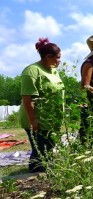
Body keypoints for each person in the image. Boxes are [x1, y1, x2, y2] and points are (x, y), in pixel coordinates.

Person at [18, 38, 64, 173]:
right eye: (58, 58)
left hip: (51, 119)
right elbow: (27, 98)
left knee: (48, 148)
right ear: (48, 56)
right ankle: (35, 178)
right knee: (40, 151)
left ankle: (46, 173)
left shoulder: (53, 70)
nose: (59, 61)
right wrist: (33, 121)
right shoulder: (32, 71)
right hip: (37, 119)